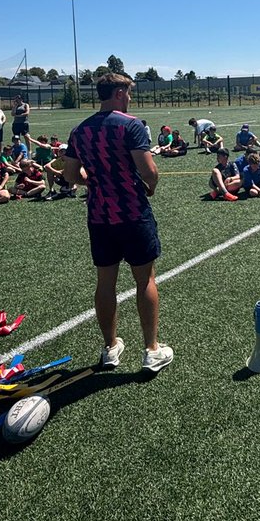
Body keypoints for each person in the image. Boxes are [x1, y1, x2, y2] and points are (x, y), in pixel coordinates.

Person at [65, 73, 172, 373]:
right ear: (120, 92)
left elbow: (71, 174)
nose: (130, 97)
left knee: (105, 283)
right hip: (133, 213)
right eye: (128, 91)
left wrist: (92, 183)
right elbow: (148, 171)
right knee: (145, 280)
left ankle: (110, 348)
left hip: (99, 216)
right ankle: (152, 349)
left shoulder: (80, 130)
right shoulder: (131, 124)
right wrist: (150, 186)